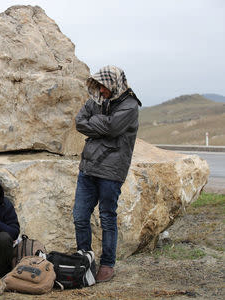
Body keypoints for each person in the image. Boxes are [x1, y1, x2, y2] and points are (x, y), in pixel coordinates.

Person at [73, 65, 142, 283]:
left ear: (113, 83)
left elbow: (113, 128)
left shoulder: (130, 106)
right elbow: (80, 121)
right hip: (88, 167)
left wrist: (96, 123)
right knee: (80, 217)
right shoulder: (97, 99)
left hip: (111, 171)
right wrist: (102, 126)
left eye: (103, 87)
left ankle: (107, 264)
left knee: (107, 217)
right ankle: (85, 259)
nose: (100, 91)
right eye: (99, 87)